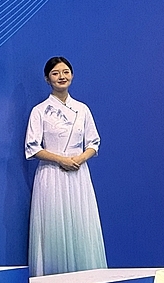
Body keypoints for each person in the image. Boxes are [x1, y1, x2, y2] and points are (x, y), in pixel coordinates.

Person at [25, 57, 106, 277]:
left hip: (78, 175)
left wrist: (79, 159)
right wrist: (61, 160)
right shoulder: (39, 111)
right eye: (55, 73)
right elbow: (32, 147)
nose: (62, 77)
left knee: (81, 224)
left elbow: (94, 142)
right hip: (51, 175)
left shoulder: (82, 109)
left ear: (72, 75)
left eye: (66, 72)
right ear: (47, 79)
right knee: (54, 226)